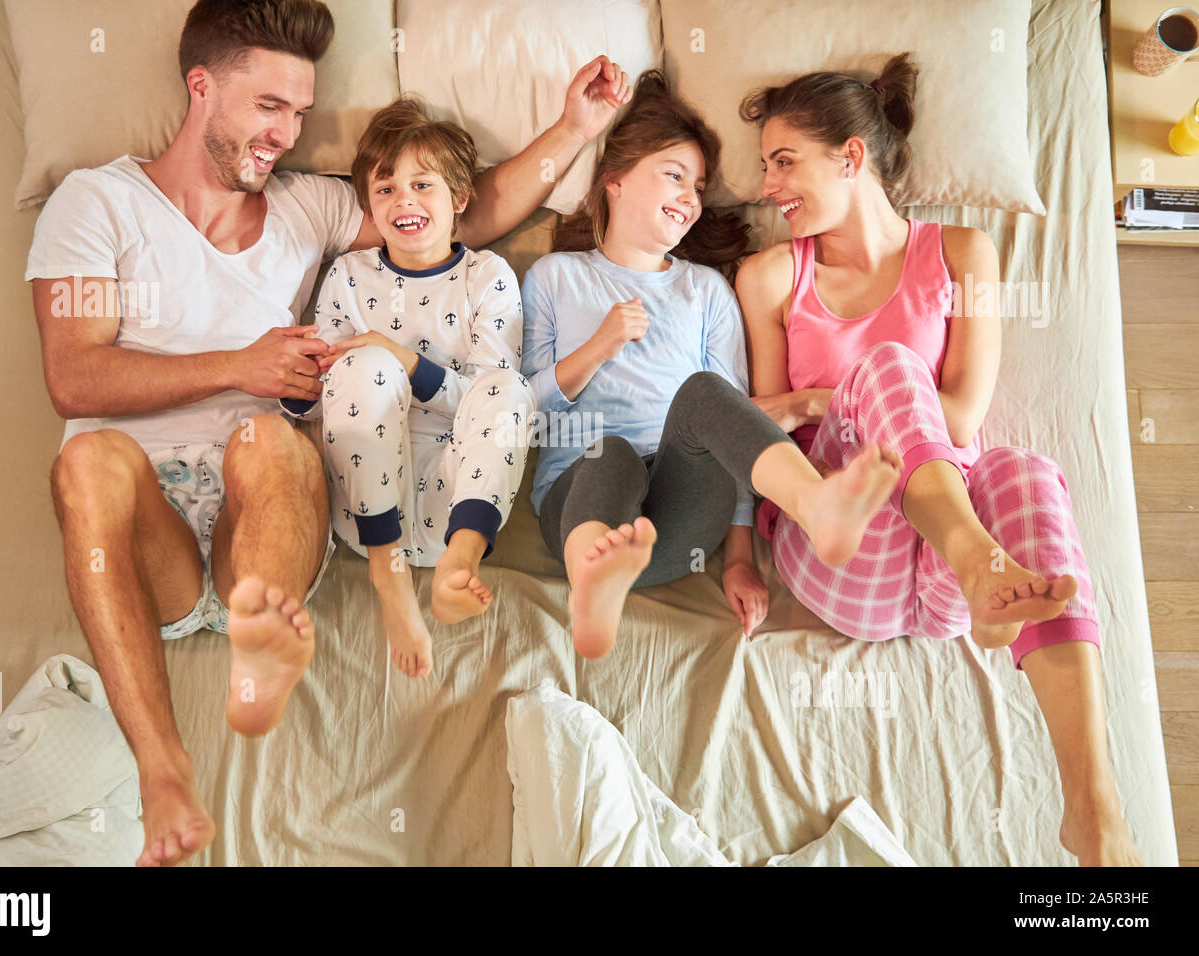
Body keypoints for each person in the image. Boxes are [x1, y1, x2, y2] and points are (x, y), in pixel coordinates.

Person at [27, 0, 635, 867]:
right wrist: (239, 365)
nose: (286, 133)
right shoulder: (95, 203)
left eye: (302, 114)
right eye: (269, 107)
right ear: (201, 88)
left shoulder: (306, 208)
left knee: (267, 443)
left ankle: (257, 659)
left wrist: (573, 128)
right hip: (145, 524)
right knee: (87, 458)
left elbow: (469, 211)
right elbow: (72, 378)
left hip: (265, 508)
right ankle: (161, 765)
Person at [735, 53, 1144, 866]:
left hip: (952, 586)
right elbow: (762, 426)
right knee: (888, 369)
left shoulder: (967, 253)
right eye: (762, 168)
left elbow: (964, 413)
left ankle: (1093, 813)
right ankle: (977, 557)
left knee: (1023, 471)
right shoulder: (770, 276)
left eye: (785, 162)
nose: (766, 186)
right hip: (843, 548)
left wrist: (831, 395)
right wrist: (829, 400)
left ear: (851, 156)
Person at [521, 71, 902, 661]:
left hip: (678, 520)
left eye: (698, 186)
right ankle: (593, 583)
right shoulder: (554, 277)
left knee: (702, 392)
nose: (690, 198)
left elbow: (732, 427)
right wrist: (597, 347)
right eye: (674, 175)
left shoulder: (707, 292)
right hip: (579, 504)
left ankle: (817, 505)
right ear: (614, 180)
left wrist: (741, 561)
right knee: (611, 454)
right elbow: (523, 412)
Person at [282, 98, 534, 678]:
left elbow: (484, 399)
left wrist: (406, 360)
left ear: (459, 200)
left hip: (460, 493)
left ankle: (458, 566)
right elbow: (332, 398)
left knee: (509, 389)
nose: (404, 202)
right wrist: (298, 382)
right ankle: (386, 572)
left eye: (423, 185)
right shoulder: (349, 275)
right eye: (386, 189)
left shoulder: (488, 277)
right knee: (364, 363)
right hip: (371, 499)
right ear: (369, 204)